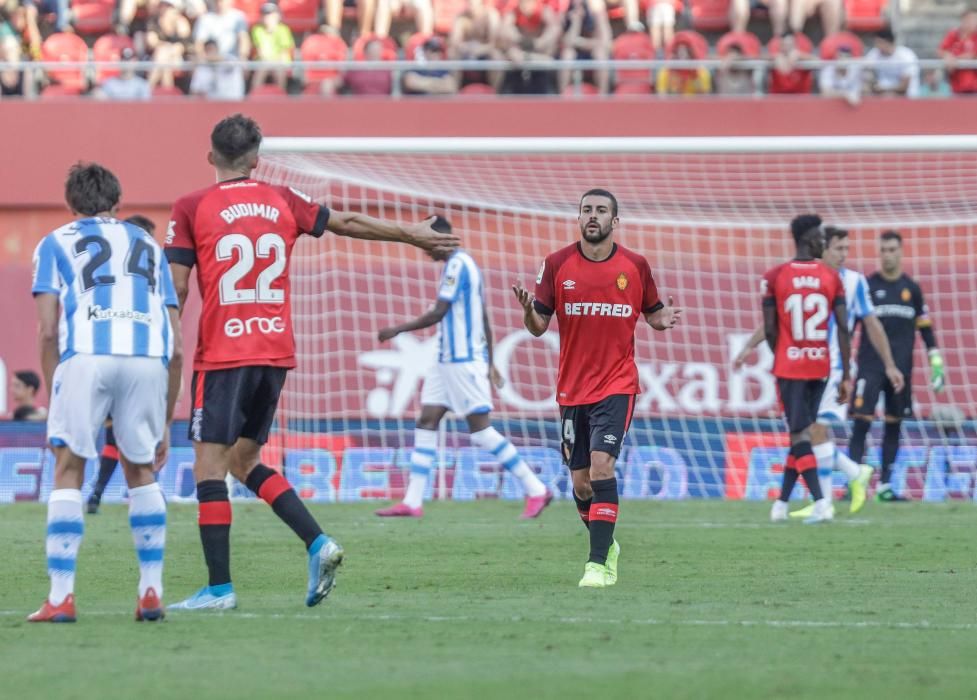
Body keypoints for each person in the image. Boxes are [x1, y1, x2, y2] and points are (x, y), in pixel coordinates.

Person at [164, 114, 459, 611]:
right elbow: (348, 222)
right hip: (275, 352)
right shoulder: (282, 199)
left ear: (210, 156)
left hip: (223, 352)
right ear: (256, 160)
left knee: (209, 467)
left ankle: (218, 589)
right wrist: (412, 234)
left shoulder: (191, 205)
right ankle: (318, 543)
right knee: (244, 460)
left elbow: (174, 288)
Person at [27, 163, 183, 623]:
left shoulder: (55, 241)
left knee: (69, 467)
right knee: (141, 471)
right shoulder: (150, 245)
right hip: (146, 360)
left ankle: (61, 598)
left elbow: (47, 330)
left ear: (71, 204)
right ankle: (151, 591)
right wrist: (168, 417)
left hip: (87, 355)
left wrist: (57, 388)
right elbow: (174, 340)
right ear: (117, 202)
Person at [512, 189, 682, 588]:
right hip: (572, 389)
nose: (593, 216)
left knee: (604, 465)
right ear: (579, 218)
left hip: (617, 383)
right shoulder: (556, 265)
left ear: (615, 221)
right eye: (586, 210)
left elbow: (653, 315)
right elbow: (538, 327)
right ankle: (607, 545)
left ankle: (596, 564)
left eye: (601, 210)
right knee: (581, 483)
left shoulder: (636, 266)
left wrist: (664, 319)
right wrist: (526, 313)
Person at [375, 219, 552, 519]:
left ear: (442, 239)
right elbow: (481, 315)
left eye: (428, 242)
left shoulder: (459, 265)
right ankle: (413, 500)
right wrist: (493, 360)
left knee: (481, 432)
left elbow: (439, 312)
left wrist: (397, 329)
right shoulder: (459, 266)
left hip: (462, 361)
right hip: (444, 360)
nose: (425, 250)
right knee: (427, 420)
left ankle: (536, 489)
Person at [735, 226, 904, 518]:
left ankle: (839, 485)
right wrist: (749, 346)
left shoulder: (853, 282)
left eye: (846, 249)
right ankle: (788, 503)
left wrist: (889, 364)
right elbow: (777, 323)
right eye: (837, 248)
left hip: (832, 368)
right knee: (802, 432)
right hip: (804, 366)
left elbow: (871, 323)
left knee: (811, 432)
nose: (843, 255)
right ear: (822, 249)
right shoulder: (806, 278)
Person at [763, 216, 848, 525]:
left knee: (800, 434)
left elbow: (771, 330)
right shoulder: (831, 276)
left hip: (791, 366)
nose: (822, 243)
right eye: (819, 238)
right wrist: (846, 374)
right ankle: (784, 504)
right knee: (802, 433)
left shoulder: (775, 276)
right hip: (820, 366)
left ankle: (821, 502)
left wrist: (784, 354)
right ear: (805, 239)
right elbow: (843, 330)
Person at [848, 231, 944, 501]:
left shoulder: (911, 289)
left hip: (901, 369)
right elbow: (852, 325)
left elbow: (924, 328)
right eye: (883, 250)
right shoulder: (867, 286)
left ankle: (885, 486)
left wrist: (935, 358)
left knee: (893, 424)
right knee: (862, 423)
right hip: (869, 366)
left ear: (901, 252)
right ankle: (853, 484)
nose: (888, 255)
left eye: (892, 249)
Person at [87, 214, 158, 515]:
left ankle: (98, 494)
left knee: (114, 434)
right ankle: (143, 494)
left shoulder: (105, 269)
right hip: (138, 358)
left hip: (102, 356)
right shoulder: (149, 274)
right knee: (136, 431)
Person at [250, 3, 294, 92]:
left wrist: (273, 61)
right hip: (264, 61)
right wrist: (269, 61)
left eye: (270, 14)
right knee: (261, 70)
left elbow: (283, 53)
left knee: (279, 71)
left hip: (280, 61)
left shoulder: (283, 30)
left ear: (277, 16)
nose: (268, 17)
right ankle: (254, 96)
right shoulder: (257, 30)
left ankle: (281, 97)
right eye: (265, 14)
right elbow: (261, 52)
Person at [863, 28, 919, 97]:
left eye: (879, 42)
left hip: (905, 97)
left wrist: (883, 89)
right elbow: (866, 74)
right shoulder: (874, 53)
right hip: (880, 96)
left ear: (888, 42)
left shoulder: (906, 55)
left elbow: (904, 87)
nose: (877, 46)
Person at [939, 8, 977, 95]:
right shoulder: (953, 35)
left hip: (974, 87)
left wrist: (955, 59)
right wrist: (947, 56)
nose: (974, 23)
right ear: (964, 20)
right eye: (971, 19)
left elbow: (972, 55)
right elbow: (941, 50)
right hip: (956, 87)